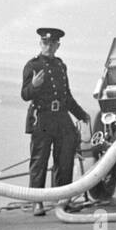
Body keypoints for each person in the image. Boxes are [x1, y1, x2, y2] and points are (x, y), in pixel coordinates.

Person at [22, 27, 90, 216]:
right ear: (40, 44)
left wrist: (82, 115)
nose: (48, 47)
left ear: (58, 46)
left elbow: (66, 97)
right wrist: (34, 86)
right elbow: (24, 95)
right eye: (45, 43)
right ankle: (37, 202)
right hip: (42, 118)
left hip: (61, 118)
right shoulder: (32, 66)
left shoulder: (61, 66)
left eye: (52, 44)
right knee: (39, 161)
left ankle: (63, 200)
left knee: (65, 159)